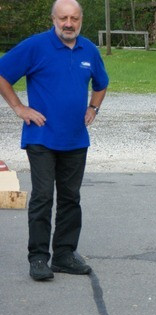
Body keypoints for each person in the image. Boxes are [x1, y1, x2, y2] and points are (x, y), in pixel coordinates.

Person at [0, 0, 109, 281]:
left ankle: (64, 255)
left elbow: (101, 82)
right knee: (43, 196)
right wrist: (19, 108)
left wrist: (93, 108)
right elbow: (2, 74)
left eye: (74, 18)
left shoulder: (89, 50)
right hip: (42, 137)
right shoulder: (35, 46)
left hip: (76, 139)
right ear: (53, 19)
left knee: (71, 198)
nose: (68, 23)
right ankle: (38, 258)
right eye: (63, 18)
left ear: (81, 20)